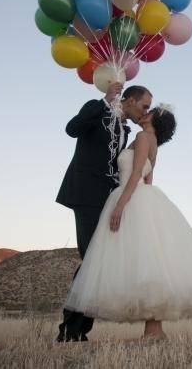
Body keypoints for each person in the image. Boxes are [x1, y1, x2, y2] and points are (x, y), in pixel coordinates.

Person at [63, 104, 192, 340]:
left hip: (129, 196)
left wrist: (121, 205)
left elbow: (135, 175)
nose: (145, 112)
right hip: (143, 197)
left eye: (149, 110)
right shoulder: (154, 143)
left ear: (155, 118)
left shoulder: (143, 136)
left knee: (138, 261)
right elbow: (148, 178)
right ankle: (153, 330)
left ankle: (152, 330)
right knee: (146, 261)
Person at [55, 84, 153, 342]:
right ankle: (71, 331)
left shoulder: (126, 130)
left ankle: (77, 331)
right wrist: (103, 101)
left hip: (107, 200)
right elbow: (71, 129)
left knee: (97, 262)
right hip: (85, 195)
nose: (146, 111)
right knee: (91, 260)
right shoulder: (95, 109)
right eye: (144, 105)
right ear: (129, 100)